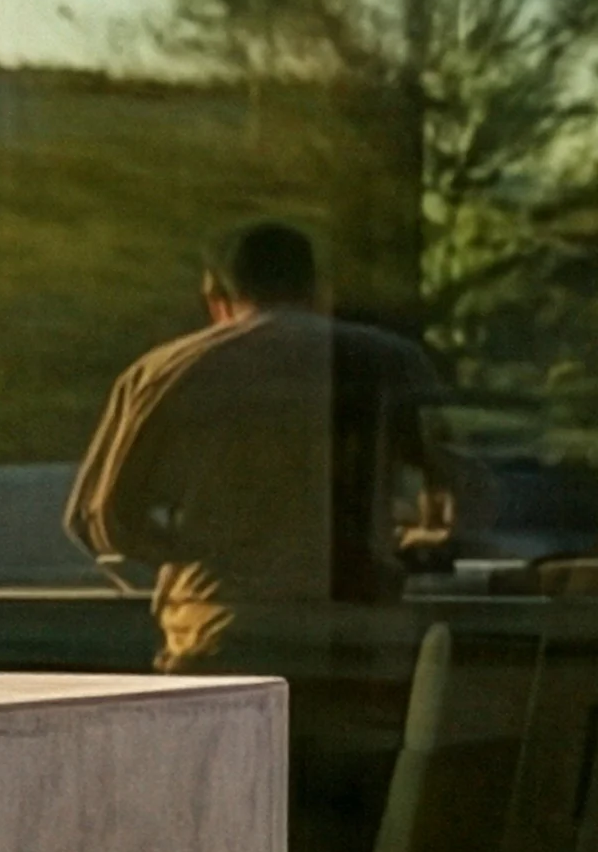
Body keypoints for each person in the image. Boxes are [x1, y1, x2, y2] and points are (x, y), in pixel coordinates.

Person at [61, 220, 472, 671]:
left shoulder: (167, 373)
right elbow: (461, 490)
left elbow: (99, 515)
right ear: (318, 290)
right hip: (363, 637)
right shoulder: (392, 362)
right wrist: (396, 542)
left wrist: (202, 553)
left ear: (215, 297)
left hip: (225, 629)